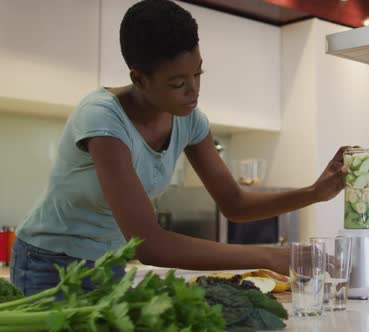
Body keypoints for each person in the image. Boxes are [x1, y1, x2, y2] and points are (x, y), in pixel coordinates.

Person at [10, 0, 347, 296]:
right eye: (177, 82)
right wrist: (269, 256)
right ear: (139, 78)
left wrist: (315, 193)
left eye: (198, 74)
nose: (193, 90)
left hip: (107, 263)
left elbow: (234, 203)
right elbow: (150, 245)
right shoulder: (103, 120)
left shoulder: (189, 119)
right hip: (47, 265)